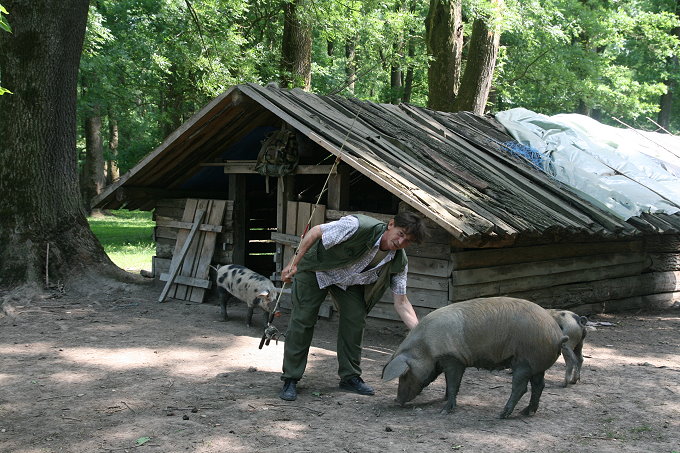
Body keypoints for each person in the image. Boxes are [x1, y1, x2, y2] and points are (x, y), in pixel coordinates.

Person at [278, 211, 427, 401]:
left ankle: (350, 377)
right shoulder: (357, 226)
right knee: (303, 319)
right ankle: (291, 378)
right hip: (317, 270)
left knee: (355, 319)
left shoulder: (399, 261)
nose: (401, 241)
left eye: (408, 240)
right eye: (400, 233)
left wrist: (421, 333)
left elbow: (402, 302)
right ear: (391, 225)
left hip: (348, 282)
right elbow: (316, 231)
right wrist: (293, 263)